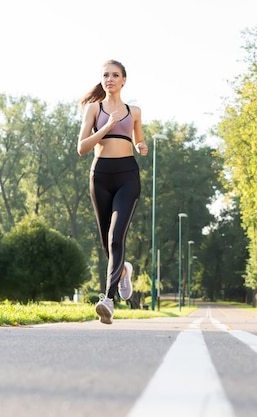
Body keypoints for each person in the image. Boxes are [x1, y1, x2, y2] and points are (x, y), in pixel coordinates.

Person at [77, 59, 148, 325]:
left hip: (128, 175)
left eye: (115, 75)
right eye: (105, 75)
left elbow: (138, 139)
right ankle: (123, 272)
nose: (110, 79)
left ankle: (107, 299)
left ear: (123, 80)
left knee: (117, 237)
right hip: (100, 176)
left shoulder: (135, 111)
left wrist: (142, 146)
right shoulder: (94, 109)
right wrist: (106, 127)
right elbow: (81, 148)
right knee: (107, 240)